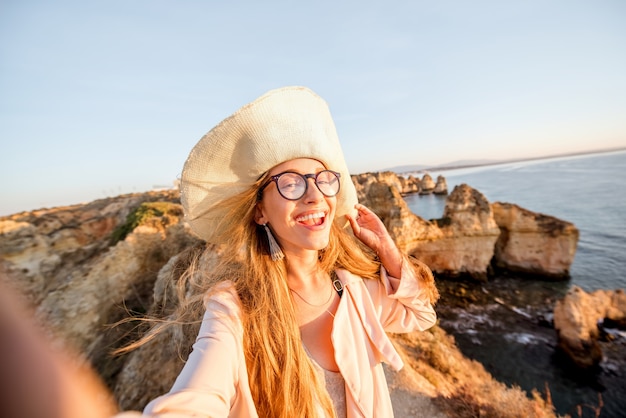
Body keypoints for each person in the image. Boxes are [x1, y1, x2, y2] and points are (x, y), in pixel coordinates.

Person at [127, 86, 438, 417]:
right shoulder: (235, 309)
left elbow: (421, 314)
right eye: (291, 184)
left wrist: (387, 252)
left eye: (323, 180)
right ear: (260, 211)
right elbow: (196, 399)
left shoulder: (354, 290)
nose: (315, 195)